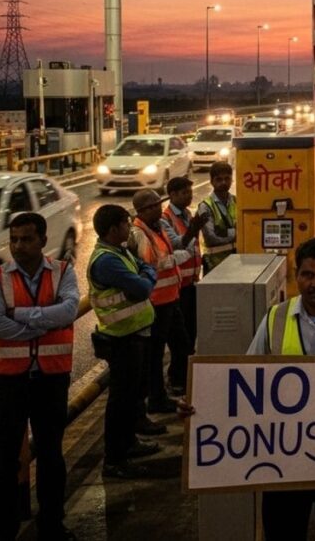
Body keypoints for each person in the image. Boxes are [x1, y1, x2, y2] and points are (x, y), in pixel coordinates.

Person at [184, 238, 315, 540]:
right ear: (297, 275)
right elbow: (244, 380)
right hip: (283, 461)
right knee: (283, 532)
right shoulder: (275, 319)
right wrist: (201, 405)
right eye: (308, 274)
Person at [0, 213, 78, 540]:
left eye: (26, 239)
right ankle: (6, 527)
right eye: (14, 240)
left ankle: (52, 524)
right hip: (7, 381)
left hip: (51, 379)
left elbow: (69, 311)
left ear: (42, 239)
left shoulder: (64, 271)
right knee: (6, 458)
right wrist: (44, 325)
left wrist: (22, 317)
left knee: (51, 454)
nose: (18, 246)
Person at [88, 204, 161, 479]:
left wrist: (146, 273)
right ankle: (115, 459)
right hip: (121, 339)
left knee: (130, 397)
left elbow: (145, 266)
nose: (129, 228)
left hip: (133, 335)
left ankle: (129, 444)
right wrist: (147, 276)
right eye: (124, 224)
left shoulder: (120, 251)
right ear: (112, 228)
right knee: (120, 402)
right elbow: (143, 286)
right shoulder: (106, 260)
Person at [130, 189, 186, 415]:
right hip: (156, 303)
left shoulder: (157, 226)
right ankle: (156, 398)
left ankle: (164, 392)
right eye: (154, 205)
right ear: (142, 210)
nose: (158, 208)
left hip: (170, 298)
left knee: (181, 344)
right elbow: (149, 264)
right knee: (154, 356)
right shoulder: (139, 233)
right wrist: (175, 259)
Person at [161, 176, 210, 384]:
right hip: (177, 286)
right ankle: (177, 378)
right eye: (183, 193)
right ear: (172, 195)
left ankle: (188, 376)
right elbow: (177, 245)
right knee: (180, 339)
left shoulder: (188, 214)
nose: (188, 196)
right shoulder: (166, 219)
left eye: (189, 192)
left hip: (192, 283)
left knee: (191, 332)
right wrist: (193, 229)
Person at [198, 161, 237, 274]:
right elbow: (211, 237)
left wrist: (224, 232)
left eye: (227, 178)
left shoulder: (237, 201)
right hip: (214, 266)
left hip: (237, 264)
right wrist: (237, 232)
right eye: (219, 179)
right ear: (211, 182)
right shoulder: (205, 206)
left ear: (232, 179)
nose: (223, 182)